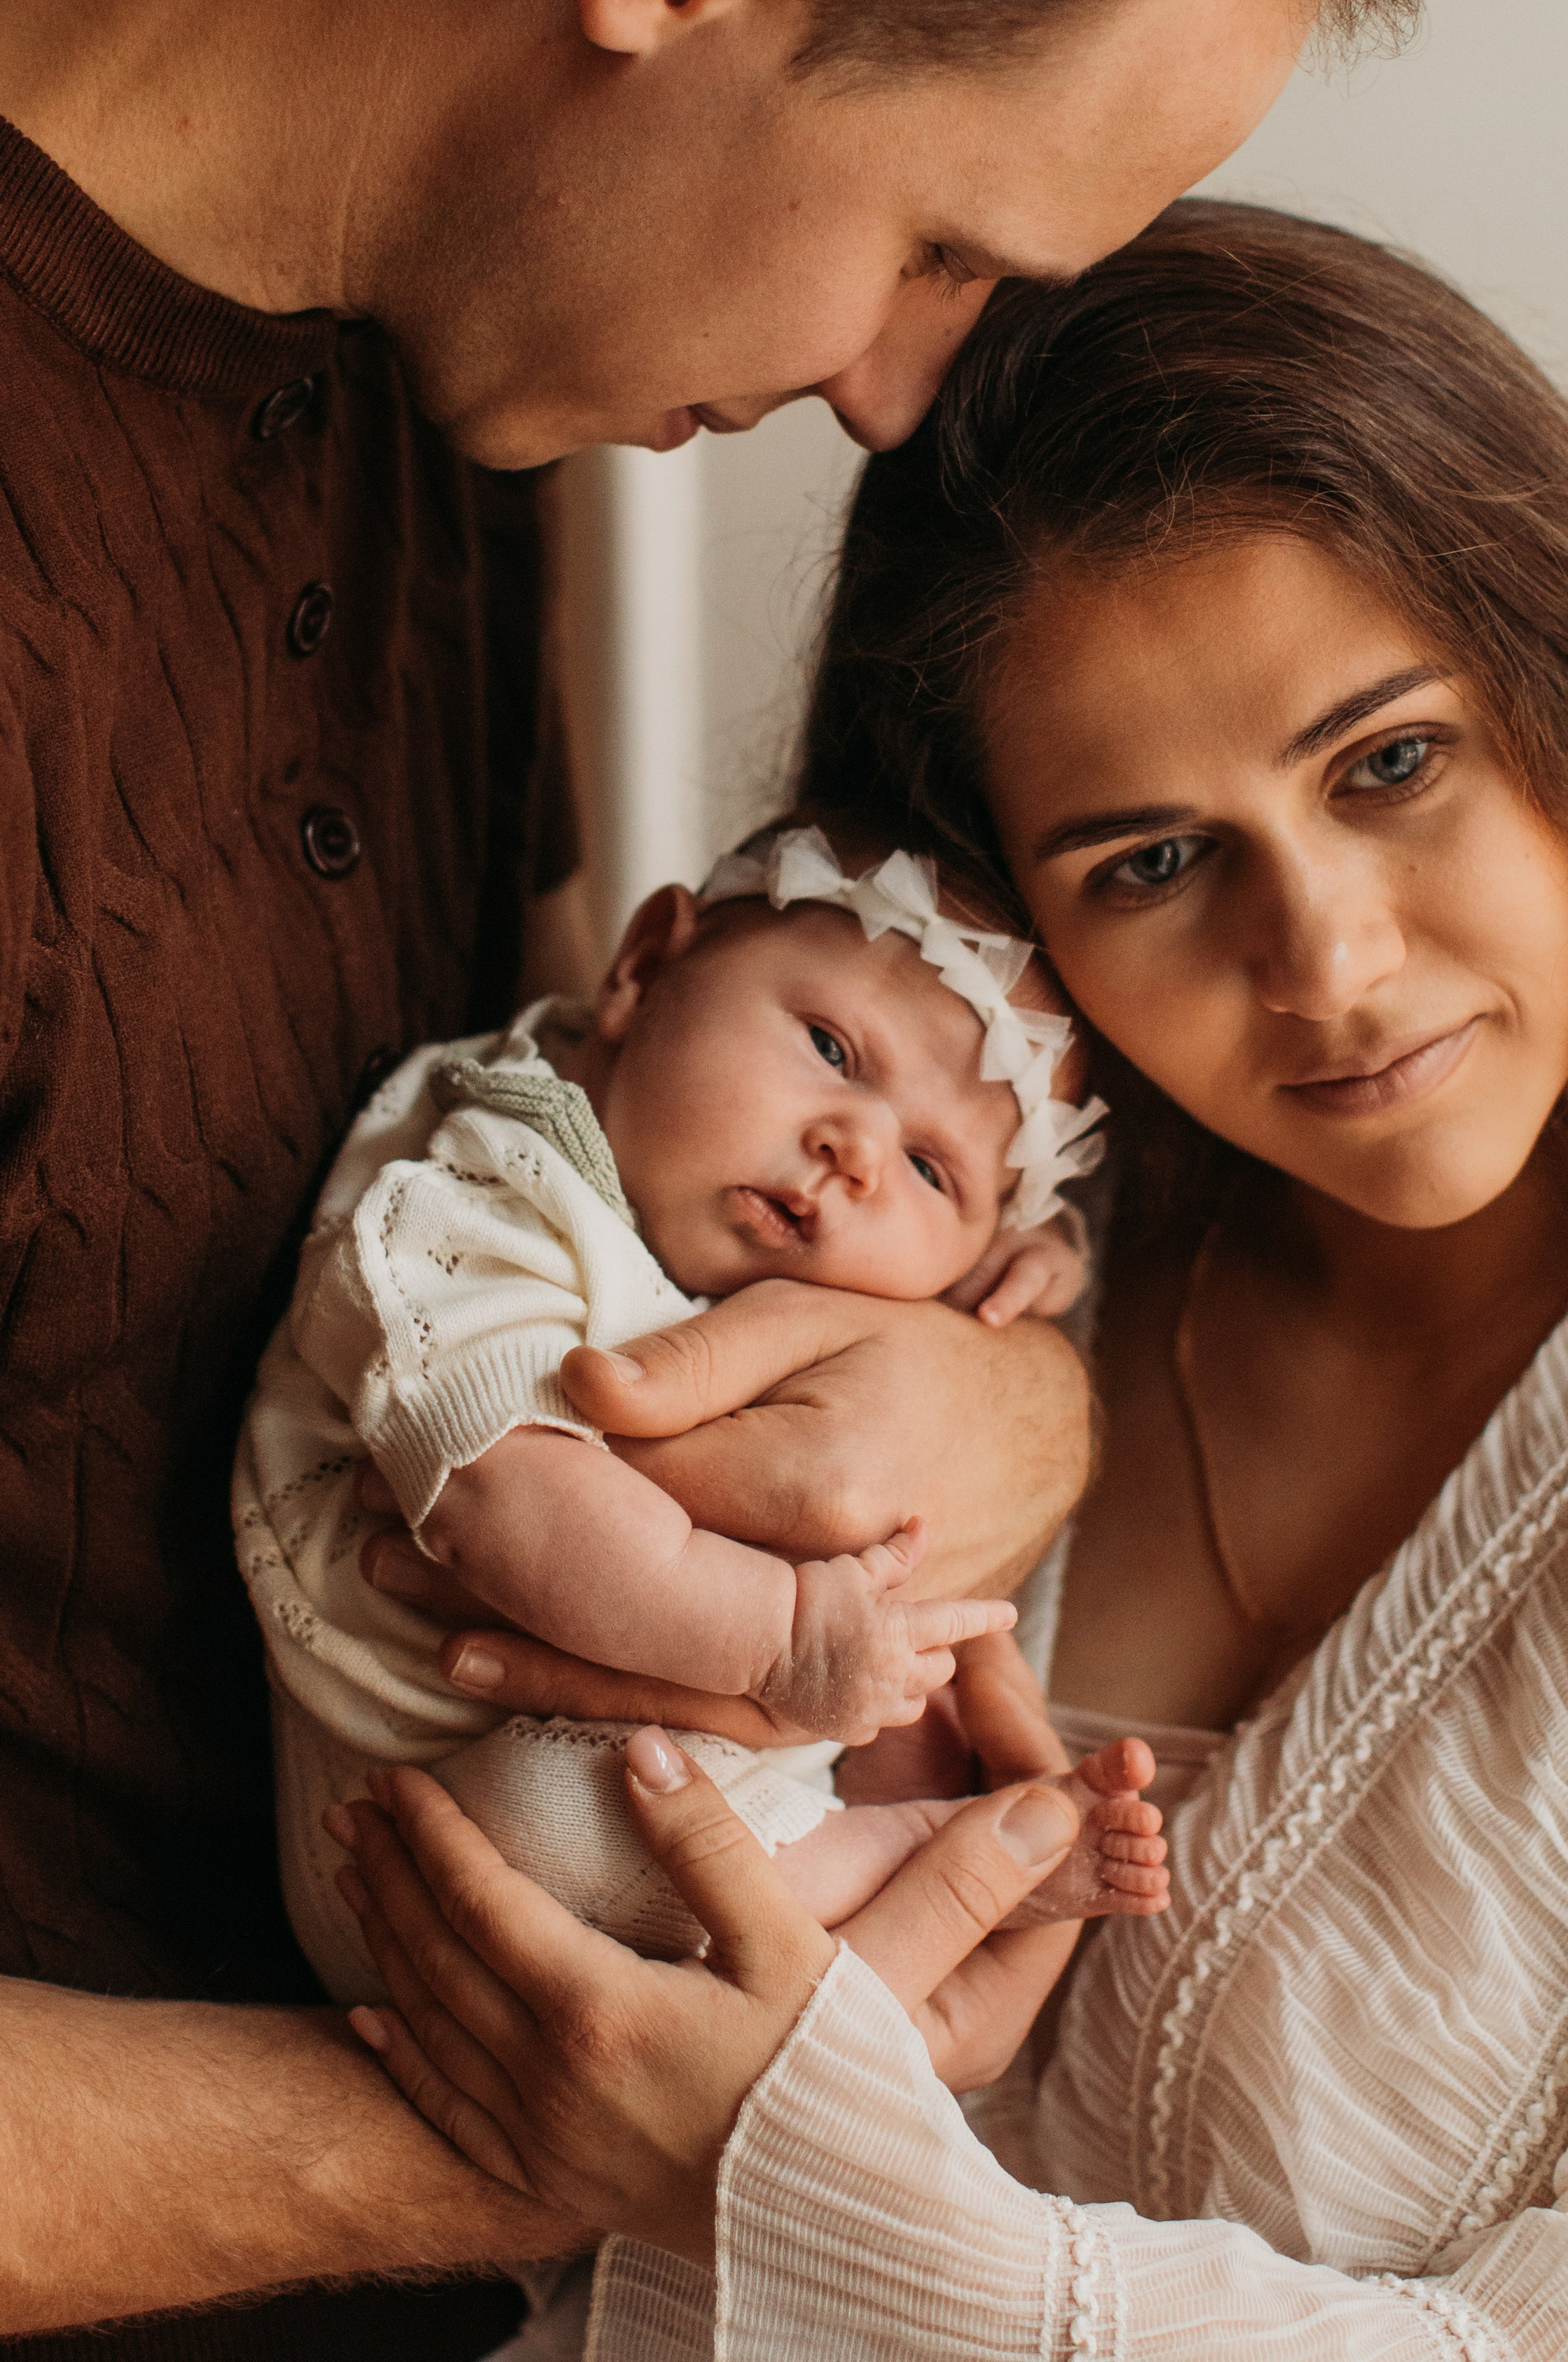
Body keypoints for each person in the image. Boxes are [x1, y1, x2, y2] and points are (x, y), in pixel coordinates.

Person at [0, 0, 1451, 2345]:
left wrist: (1001, 1405)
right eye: (947, 250)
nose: (899, 393)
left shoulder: (444, 366)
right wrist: (528, 2145)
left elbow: (501, 1120)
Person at [338, 201, 1568, 2356]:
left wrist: (796, 2181)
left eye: (1391, 763)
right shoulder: (889, 1256)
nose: (1327, 964)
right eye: (1154, 862)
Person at [238, 818, 1160, 2021]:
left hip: (687, 1749)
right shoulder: (478, 1200)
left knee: (912, 1649)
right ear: (641, 966)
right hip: (412, 1829)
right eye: (833, 1046)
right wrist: (785, 1646)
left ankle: (919, 1835)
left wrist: (1024, 1268)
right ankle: (930, 1857)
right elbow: (501, 1503)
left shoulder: (731, 1227)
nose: (859, 1153)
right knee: (569, 1820)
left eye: (935, 1174)